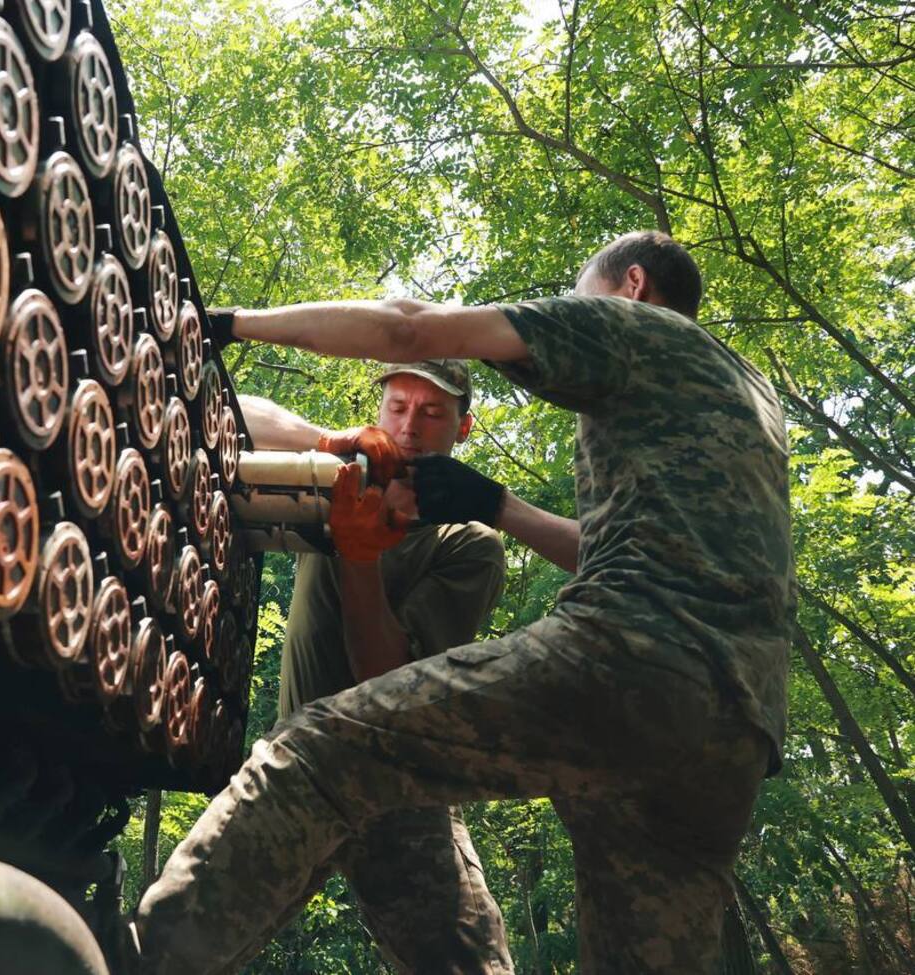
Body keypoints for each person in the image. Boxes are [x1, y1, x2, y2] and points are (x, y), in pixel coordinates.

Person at [132, 231, 792, 974]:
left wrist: (222, 323)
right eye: (398, 405)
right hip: (737, 728)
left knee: (320, 750)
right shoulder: (745, 394)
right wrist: (489, 497)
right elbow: (617, 546)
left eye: (581, 295)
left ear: (631, 286)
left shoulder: (636, 328)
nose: (412, 422)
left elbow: (407, 324)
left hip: (634, 656)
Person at [233, 359, 514, 972]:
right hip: (295, 768)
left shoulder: (468, 543)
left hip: (398, 787)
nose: (411, 426)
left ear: (462, 430)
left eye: (433, 412)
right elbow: (229, 412)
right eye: (398, 407)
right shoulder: (330, 474)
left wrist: (358, 554)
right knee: (170, 946)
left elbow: (385, 679)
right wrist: (325, 440)